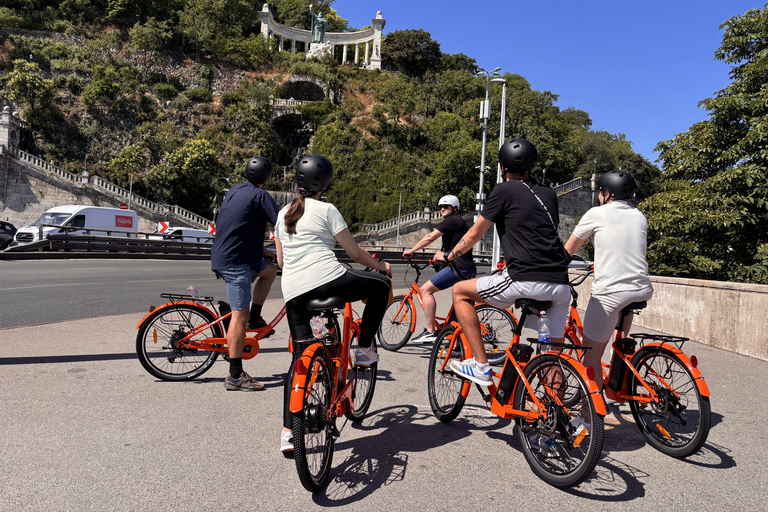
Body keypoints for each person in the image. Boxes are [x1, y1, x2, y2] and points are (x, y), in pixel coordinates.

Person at [274, 154, 392, 453]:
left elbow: (280, 260)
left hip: (293, 292)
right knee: (381, 287)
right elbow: (355, 254)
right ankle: (365, 350)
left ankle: (288, 432)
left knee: (299, 359)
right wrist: (381, 267)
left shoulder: (283, 213)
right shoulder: (327, 209)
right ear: (325, 183)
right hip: (327, 279)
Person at [434, 139, 571, 387]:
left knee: (460, 292)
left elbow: (474, 234)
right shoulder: (549, 194)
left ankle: (481, 365)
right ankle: (553, 417)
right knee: (551, 356)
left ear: (502, 167)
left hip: (524, 278)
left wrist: (449, 255)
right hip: (561, 285)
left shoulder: (503, 190)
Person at [564, 170, 653, 393]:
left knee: (590, 354)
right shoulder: (639, 215)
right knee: (618, 338)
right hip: (641, 289)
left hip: (612, 292)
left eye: (601, 193)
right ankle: (618, 375)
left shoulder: (596, 213)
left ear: (606, 193)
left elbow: (568, 251)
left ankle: (588, 416)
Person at [211, 156, 280, 391]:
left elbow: (240, 226)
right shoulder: (260, 195)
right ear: (267, 177)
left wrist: (263, 251)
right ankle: (235, 375)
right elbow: (283, 225)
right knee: (240, 315)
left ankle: (255, 317)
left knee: (270, 271)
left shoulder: (235, 190)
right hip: (236, 262)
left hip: (235, 256)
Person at [403, 194, 477, 344]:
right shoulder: (458, 221)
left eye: (446, 207)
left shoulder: (452, 220)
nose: (442, 209)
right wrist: (440, 257)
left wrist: (412, 250)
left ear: (454, 208)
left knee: (425, 290)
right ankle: (457, 343)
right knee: (459, 304)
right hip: (467, 267)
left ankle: (430, 331)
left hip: (458, 267)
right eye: (441, 207)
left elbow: (430, 237)